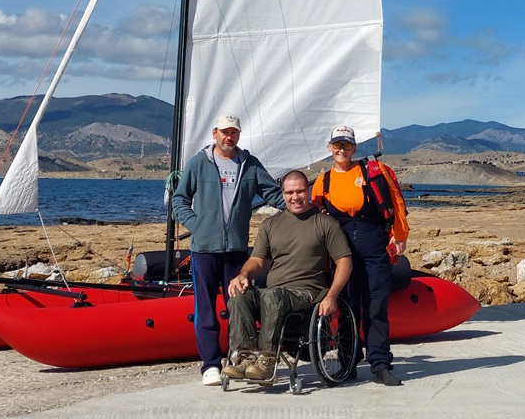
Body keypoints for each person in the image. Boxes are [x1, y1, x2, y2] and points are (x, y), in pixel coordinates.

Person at [171, 113, 285, 386]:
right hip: (204, 251)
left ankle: (239, 359)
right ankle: (210, 365)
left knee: (240, 306)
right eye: (224, 132)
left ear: (238, 135)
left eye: (234, 132)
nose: (229, 137)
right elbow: (179, 199)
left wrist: (303, 204)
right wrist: (196, 225)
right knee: (206, 309)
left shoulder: (249, 165)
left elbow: (273, 194)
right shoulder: (199, 163)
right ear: (215, 133)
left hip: (235, 251)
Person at [220, 170, 353, 382]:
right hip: (274, 293)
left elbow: (344, 261)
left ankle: (266, 361)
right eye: (290, 192)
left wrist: (332, 295)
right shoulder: (270, 225)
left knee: (272, 295)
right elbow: (257, 261)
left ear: (308, 191)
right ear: (282, 194)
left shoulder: (325, 223)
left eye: (300, 191)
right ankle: (243, 358)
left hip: (309, 294)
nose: (295, 197)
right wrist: (243, 274)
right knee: (240, 295)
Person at [312, 125, 409, 386]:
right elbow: (314, 216)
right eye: (337, 145)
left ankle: (379, 364)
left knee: (376, 304)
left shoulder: (374, 172)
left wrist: (400, 236)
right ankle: (348, 360)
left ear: (354, 148)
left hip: (373, 242)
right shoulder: (323, 181)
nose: (341, 150)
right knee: (345, 305)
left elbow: (398, 201)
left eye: (346, 145)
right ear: (329, 147)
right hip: (340, 247)